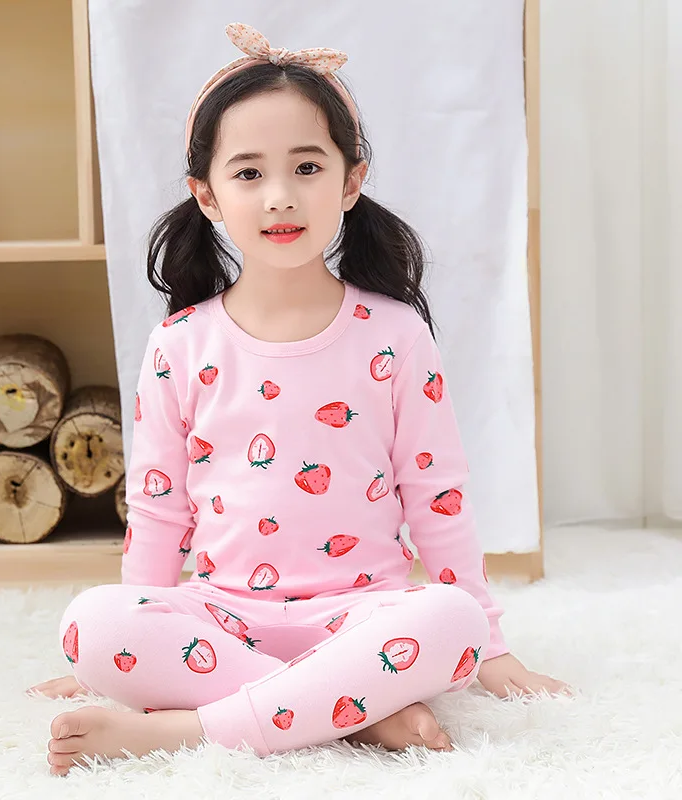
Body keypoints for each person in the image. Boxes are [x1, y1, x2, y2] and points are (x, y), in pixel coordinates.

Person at [28, 22, 572, 777]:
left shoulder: (395, 333)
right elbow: (159, 508)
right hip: (222, 615)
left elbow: (437, 495)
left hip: (366, 615)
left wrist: (493, 645)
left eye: (307, 167)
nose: (280, 197)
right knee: (92, 623)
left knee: (453, 623)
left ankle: (189, 729)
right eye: (248, 173)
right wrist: (124, 637)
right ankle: (358, 715)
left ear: (351, 181)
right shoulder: (180, 343)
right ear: (206, 194)